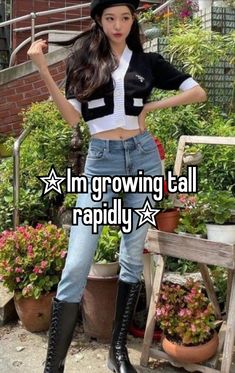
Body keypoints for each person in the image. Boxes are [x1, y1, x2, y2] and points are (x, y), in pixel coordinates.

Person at [27, 1, 207, 372]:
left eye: (125, 17)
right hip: (101, 161)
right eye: (110, 18)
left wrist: (151, 108)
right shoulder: (85, 60)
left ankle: (118, 352)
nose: (118, 25)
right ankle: (53, 367)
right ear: (98, 20)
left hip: (142, 159)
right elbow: (71, 117)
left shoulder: (148, 62)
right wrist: (41, 68)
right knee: (77, 262)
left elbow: (197, 91)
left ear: (133, 20)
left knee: (130, 257)